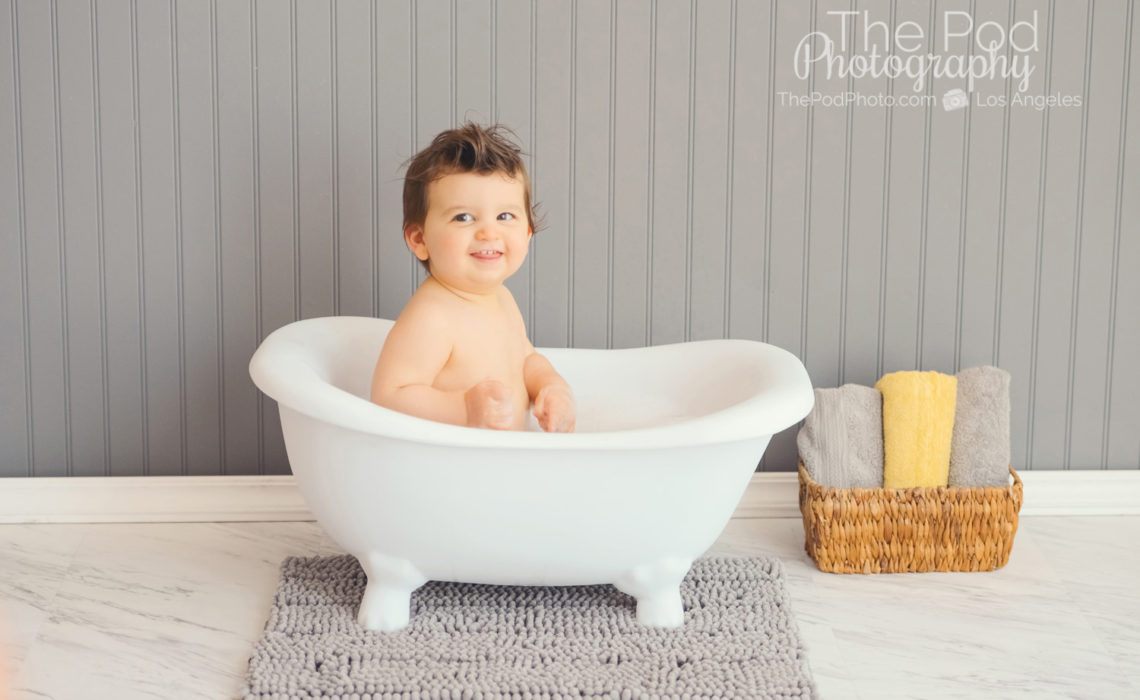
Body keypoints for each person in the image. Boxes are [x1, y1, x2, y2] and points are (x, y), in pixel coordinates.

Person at [370, 123, 576, 432]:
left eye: (505, 216)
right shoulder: (433, 316)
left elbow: (525, 359)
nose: (489, 232)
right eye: (463, 217)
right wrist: (463, 410)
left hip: (496, 466)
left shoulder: (501, 297)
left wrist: (551, 386)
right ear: (419, 239)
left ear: (528, 232)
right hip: (452, 470)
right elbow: (388, 397)